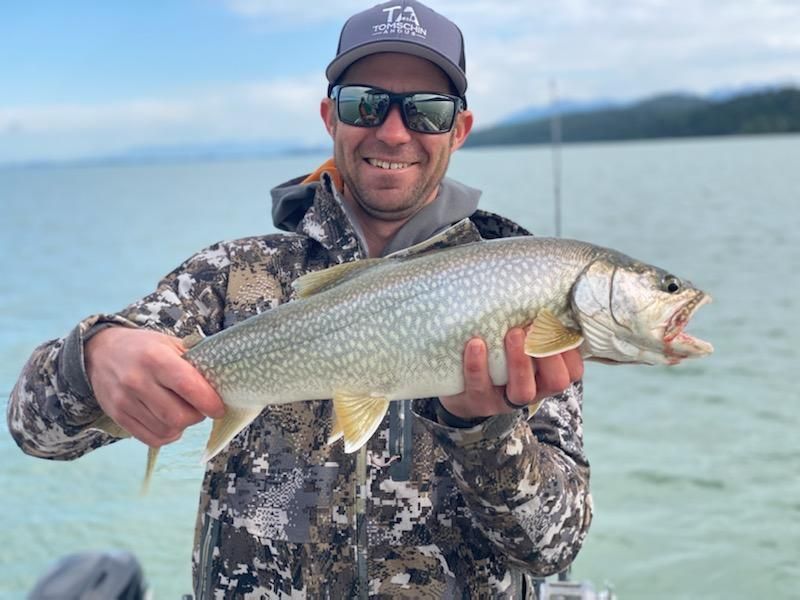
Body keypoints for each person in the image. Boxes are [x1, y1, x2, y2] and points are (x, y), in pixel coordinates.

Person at [8, 1, 592, 597]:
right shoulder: (232, 277)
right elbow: (36, 431)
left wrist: (484, 430)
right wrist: (95, 357)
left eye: (427, 110)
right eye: (364, 104)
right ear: (330, 117)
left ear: (458, 130)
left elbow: (553, 548)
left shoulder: (517, 283)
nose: (394, 132)